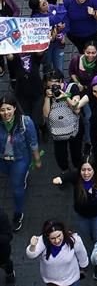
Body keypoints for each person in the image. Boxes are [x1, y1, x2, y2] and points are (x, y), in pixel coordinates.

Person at [51, 158, 97, 247]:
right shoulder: (77, 177)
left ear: (94, 169)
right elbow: (68, 176)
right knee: (85, 234)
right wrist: (60, 179)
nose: (86, 173)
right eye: (83, 170)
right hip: (82, 214)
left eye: (89, 170)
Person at [0, 92, 41, 231]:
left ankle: (18, 213)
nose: (6, 113)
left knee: (16, 188)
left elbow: (33, 142)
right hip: (3, 160)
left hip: (20, 159)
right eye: (2, 110)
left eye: (8, 109)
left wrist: (37, 159)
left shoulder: (25, 122)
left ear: (14, 108)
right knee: (9, 176)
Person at [26, 221, 89, 285]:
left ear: (63, 232)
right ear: (47, 237)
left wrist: (83, 268)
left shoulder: (73, 239)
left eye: (59, 236)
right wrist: (32, 246)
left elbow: (82, 255)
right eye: (53, 238)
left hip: (72, 280)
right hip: (52, 283)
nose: (57, 241)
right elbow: (31, 255)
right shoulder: (42, 241)